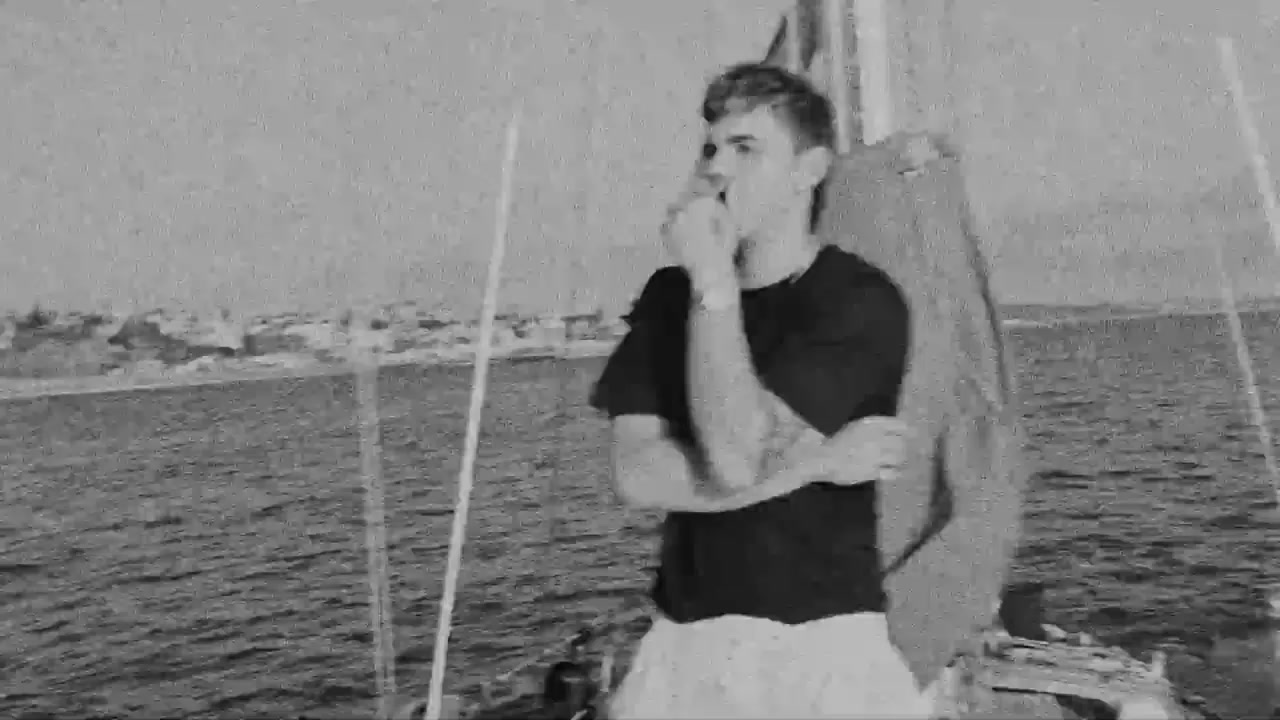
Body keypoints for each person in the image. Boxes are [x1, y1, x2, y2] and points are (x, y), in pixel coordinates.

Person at [589, 62, 930, 718]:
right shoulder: (668, 296)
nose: (717, 168)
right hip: (683, 648)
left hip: (821, 651)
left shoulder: (857, 300)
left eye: (746, 149)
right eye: (710, 148)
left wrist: (713, 282)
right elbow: (638, 477)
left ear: (808, 170)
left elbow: (736, 458)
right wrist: (815, 464)